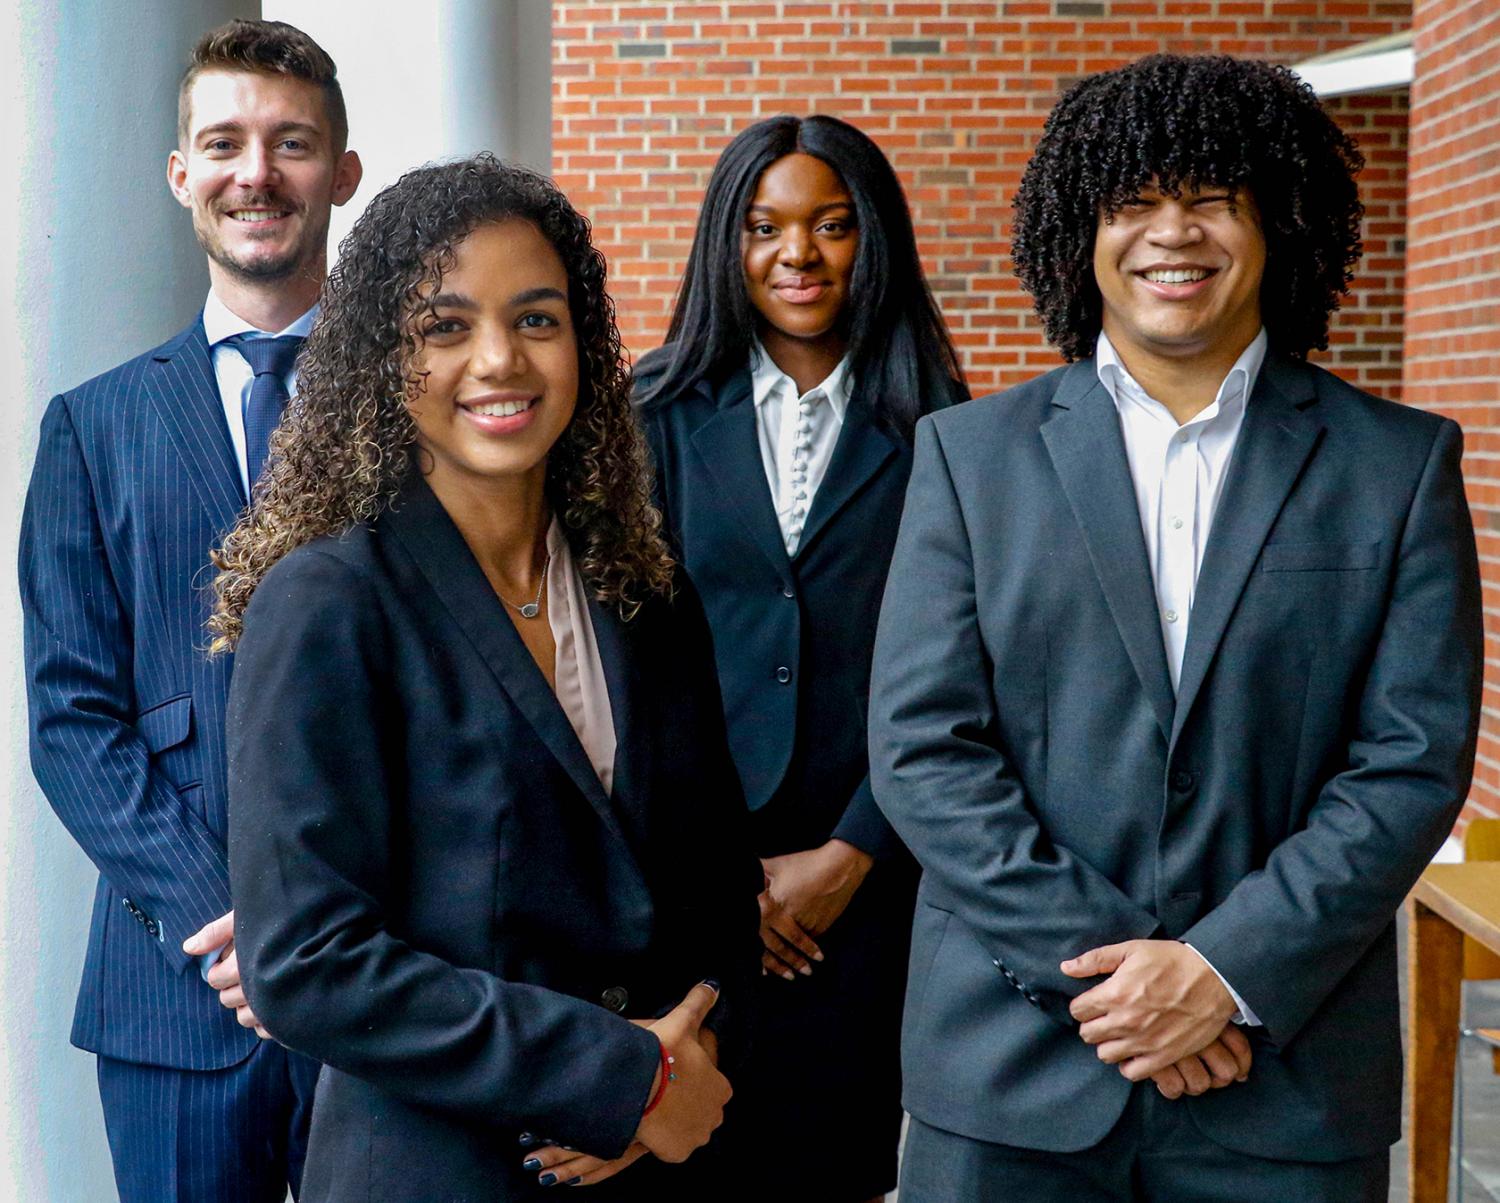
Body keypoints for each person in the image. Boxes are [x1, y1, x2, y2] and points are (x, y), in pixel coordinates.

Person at [869, 52, 1484, 1202]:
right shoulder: (969, 458)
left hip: (1283, 1079)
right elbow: (923, 748)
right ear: (1081, 230)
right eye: (1135, 198)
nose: (1173, 232)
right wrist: (1125, 988)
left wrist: (1225, 970)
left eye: (1211, 195)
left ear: (1279, 221)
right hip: (1011, 1076)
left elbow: (1411, 761)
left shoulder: (1399, 466)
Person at [211, 154, 761, 1202]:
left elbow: (720, 896)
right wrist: (616, 1078)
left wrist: (676, 1085)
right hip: (436, 1170)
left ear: (584, 347)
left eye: (538, 319)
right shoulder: (329, 600)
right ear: (385, 356)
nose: (501, 360)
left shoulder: (646, 594)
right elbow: (309, 965)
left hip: (654, 1168)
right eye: (447, 326)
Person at [19, 20, 361, 1201]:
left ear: (343, 173)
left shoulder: (417, 421)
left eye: (292, 143)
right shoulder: (91, 427)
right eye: (223, 143)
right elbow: (71, 719)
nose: (255, 172)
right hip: (173, 991)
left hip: (383, 990)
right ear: (181, 175)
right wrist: (231, 918)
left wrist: (318, 938)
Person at [635, 113, 969, 1202]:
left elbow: (972, 665)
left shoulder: (946, 430)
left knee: (834, 1168)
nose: (799, 256)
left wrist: (857, 851)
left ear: (874, 240)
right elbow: (626, 655)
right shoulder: (652, 414)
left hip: (862, 895)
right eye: (767, 226)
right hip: (689, 887)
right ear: (727, 243)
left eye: (833, 226)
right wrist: (726, 878)